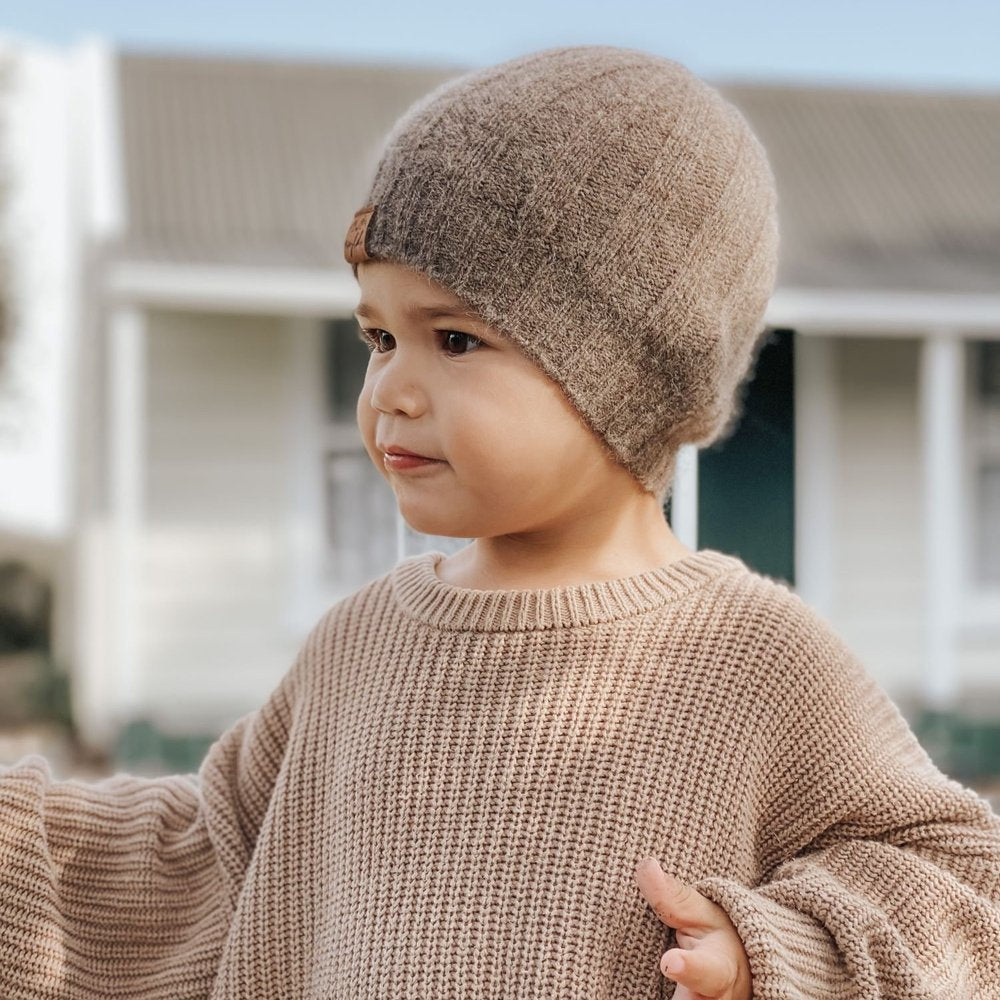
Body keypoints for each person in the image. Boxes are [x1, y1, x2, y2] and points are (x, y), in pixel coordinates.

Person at [2, 44, 999, 1000]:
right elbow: (204, 864)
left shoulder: (754, 659)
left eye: (453, 338)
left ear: (626, 374)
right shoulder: (359, 646)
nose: (390, 387)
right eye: (378, 335)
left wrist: (771, 951)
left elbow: (961, 889)